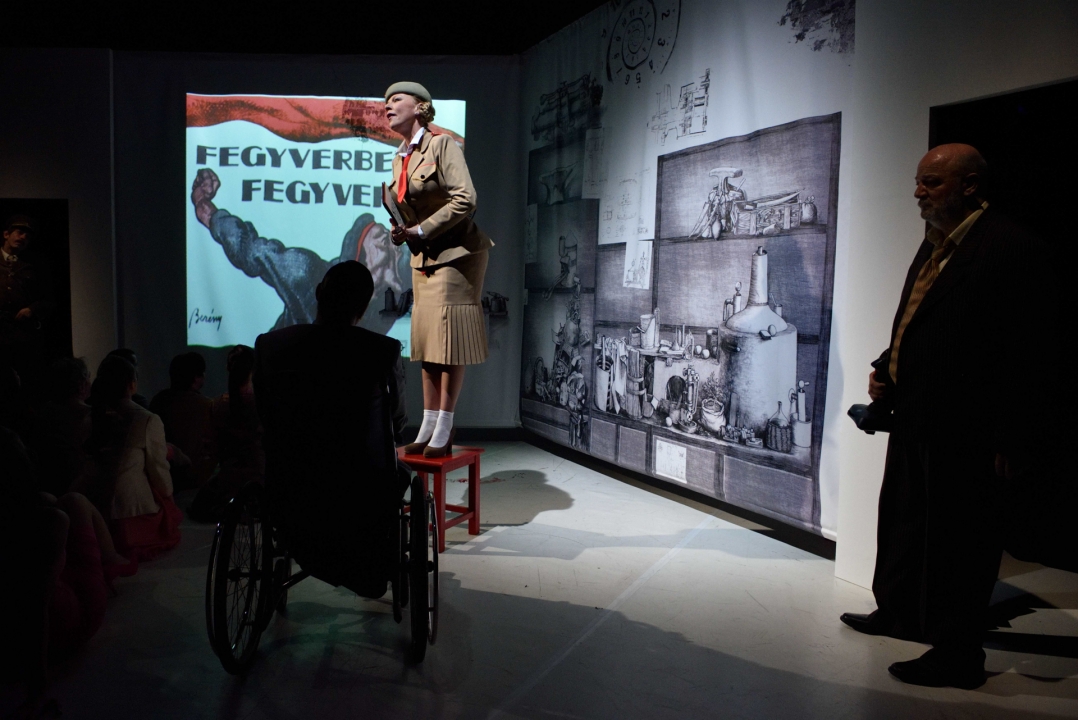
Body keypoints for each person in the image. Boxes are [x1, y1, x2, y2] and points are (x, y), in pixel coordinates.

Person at [840, 144, 1054, 689]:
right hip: (916, 413)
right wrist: (886, 368)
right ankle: (899, 613)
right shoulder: (935, 242)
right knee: (905, 522)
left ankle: (958, 654)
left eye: (932, 183)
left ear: (971, 186)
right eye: (918, 181)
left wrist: (1014, 434)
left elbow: (1029, 351)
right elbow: (917, 321)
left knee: (961, 540)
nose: (918, 192)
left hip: (969, 425)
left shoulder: (1009, 247)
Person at [254, 261, 407, 597]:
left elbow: (264, 413)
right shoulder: (383, 350)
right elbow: (396, 420)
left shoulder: (271, 346)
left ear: (318, 293)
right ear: (364, 308)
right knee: (403, 475)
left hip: (291, 486)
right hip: (362, 492)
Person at [385, 82, 493, 457]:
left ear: (420, 107)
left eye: (396, 99)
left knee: (449, 341)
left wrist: (422, 229)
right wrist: (403, 230)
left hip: (457, 255)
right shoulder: (400, 157)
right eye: (385, 101)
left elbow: (466, 199)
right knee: (429, 342)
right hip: (425, 258)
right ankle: (428, 424)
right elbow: (411, 209)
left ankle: (445, 424)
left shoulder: (442, 144)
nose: (388, 105)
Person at [190, 172, 407, 336]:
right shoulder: (306, 273)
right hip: (289, 366)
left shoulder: (391, 294)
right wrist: (207, 210)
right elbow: (253, 249)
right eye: (383, 241)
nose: (393, 246)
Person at [89, 355, 182, 561]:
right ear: (132, 384)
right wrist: (167, 494)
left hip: (93, 503)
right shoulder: (146, 419)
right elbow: (158, 469)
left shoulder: (93, 414)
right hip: (129, 512)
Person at [189, 345, 264, 522]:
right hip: (261, 482)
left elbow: (212, 451)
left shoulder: (218, 405)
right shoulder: (264, 404)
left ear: (228, 368)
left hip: (229, 484)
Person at [149, 351, 215, 487]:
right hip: (195, 481)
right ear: (196, 378)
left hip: (163, 477)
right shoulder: (207, 406)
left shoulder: (158, 401)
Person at [0, 215, 53, 383]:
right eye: (19, 232)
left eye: (27, 236)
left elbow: (48, 298)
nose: (23, 237)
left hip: (21, 335)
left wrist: (32, 309)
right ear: (6, 234)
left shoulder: (34, 266)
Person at [31, 357, 93, 495]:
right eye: (88, 377)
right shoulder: (91, 416)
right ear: (81, 383)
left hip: (48, 487)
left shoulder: (42, 414)